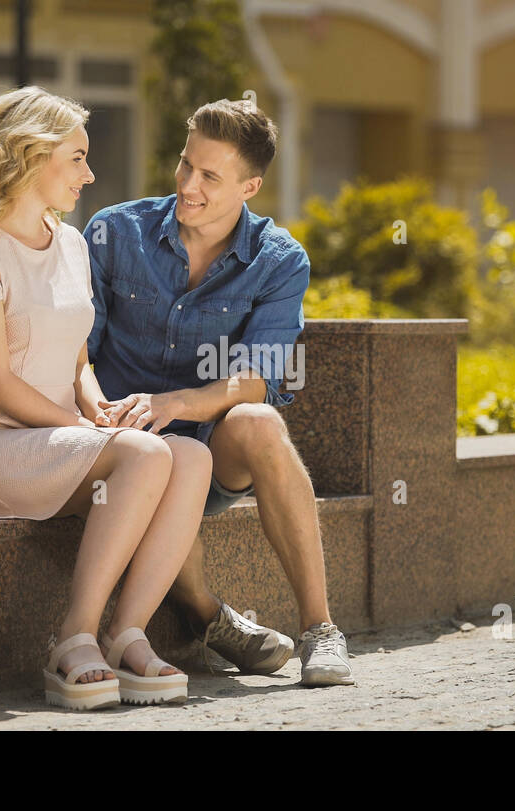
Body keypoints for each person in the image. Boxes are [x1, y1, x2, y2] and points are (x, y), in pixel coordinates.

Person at [0, 86, 212, 710]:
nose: (89, 173)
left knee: (193, 458)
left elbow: (78, 359)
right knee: (145, 455)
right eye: (77, 157)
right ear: (30, 154)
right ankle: (72, 637)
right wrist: (94, 430)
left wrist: (94, 406)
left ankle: (124, 633)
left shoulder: (71, 244)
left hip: (62, 440)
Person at [83, 99, 354, 687]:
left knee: (259, 421)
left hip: (211, 444)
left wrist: (177, 404)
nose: (189, 185)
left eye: (210, 176)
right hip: (119, 440)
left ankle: (320, 630)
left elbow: (258, 374)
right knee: (156, 466)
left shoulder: (278, 260)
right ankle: (208, 617)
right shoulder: (113, 232)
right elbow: (79, 352)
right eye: (186, 166)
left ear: (251, 185)